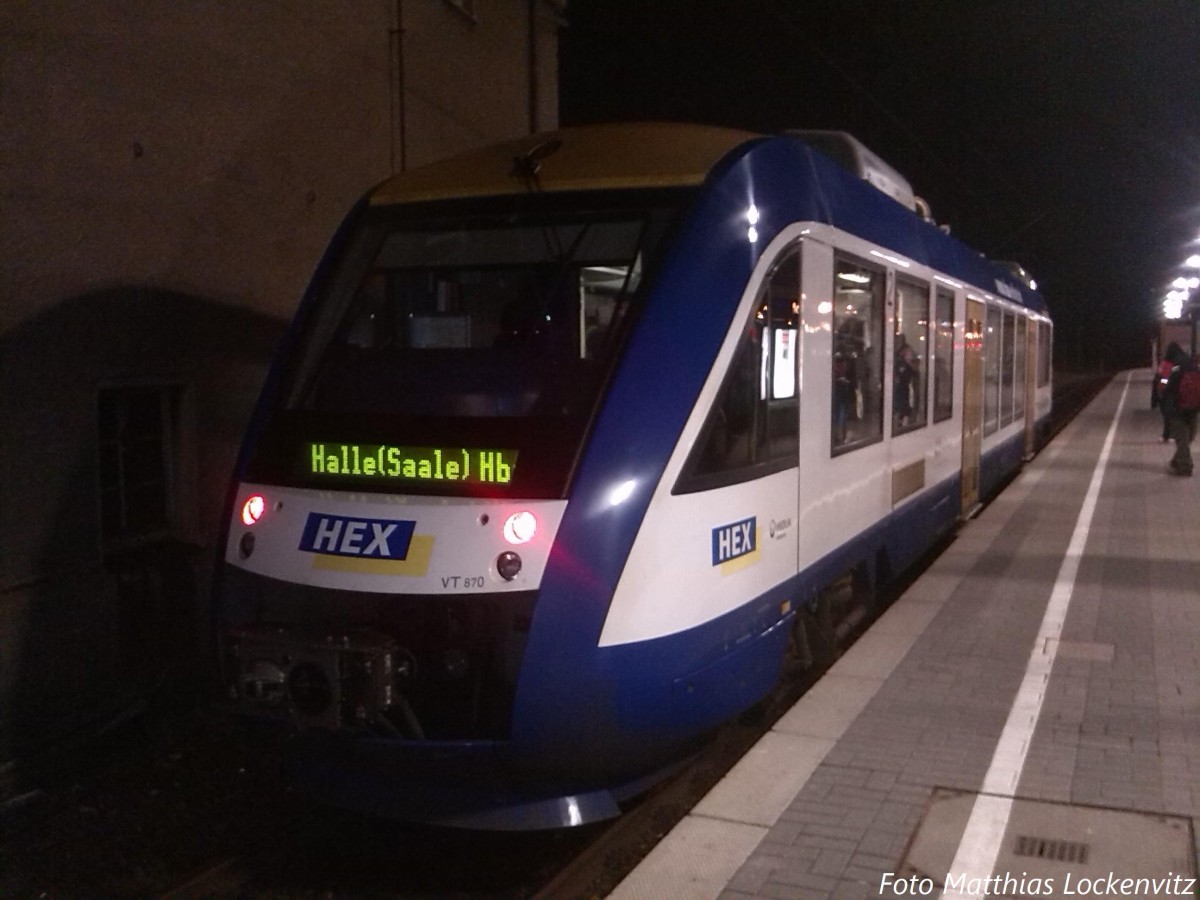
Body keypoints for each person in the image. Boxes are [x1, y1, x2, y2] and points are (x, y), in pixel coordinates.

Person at [1161, 342, 1197, 476]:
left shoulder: (1176, 365)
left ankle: (1185, 466)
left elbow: (1170, 385)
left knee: (1182, 438)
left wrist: (1163, 397)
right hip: (1193, 406)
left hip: (1177, 407)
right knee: (1189, 436)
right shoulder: (1192, 363)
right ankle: (1178, 460)